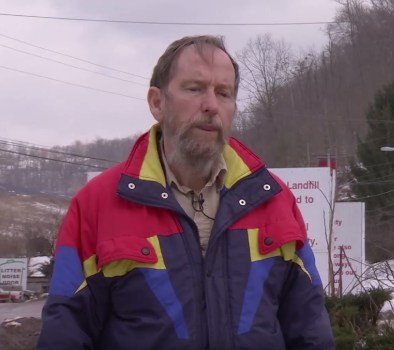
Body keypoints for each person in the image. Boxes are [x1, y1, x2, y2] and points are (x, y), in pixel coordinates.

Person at [37, 35, 335, 350]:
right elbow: (65, 333)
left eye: (224, 93)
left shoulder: (275, 200)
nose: (211, 105)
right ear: (157, 102)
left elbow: (311, 328)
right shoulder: (96, 205)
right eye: (194, 89)